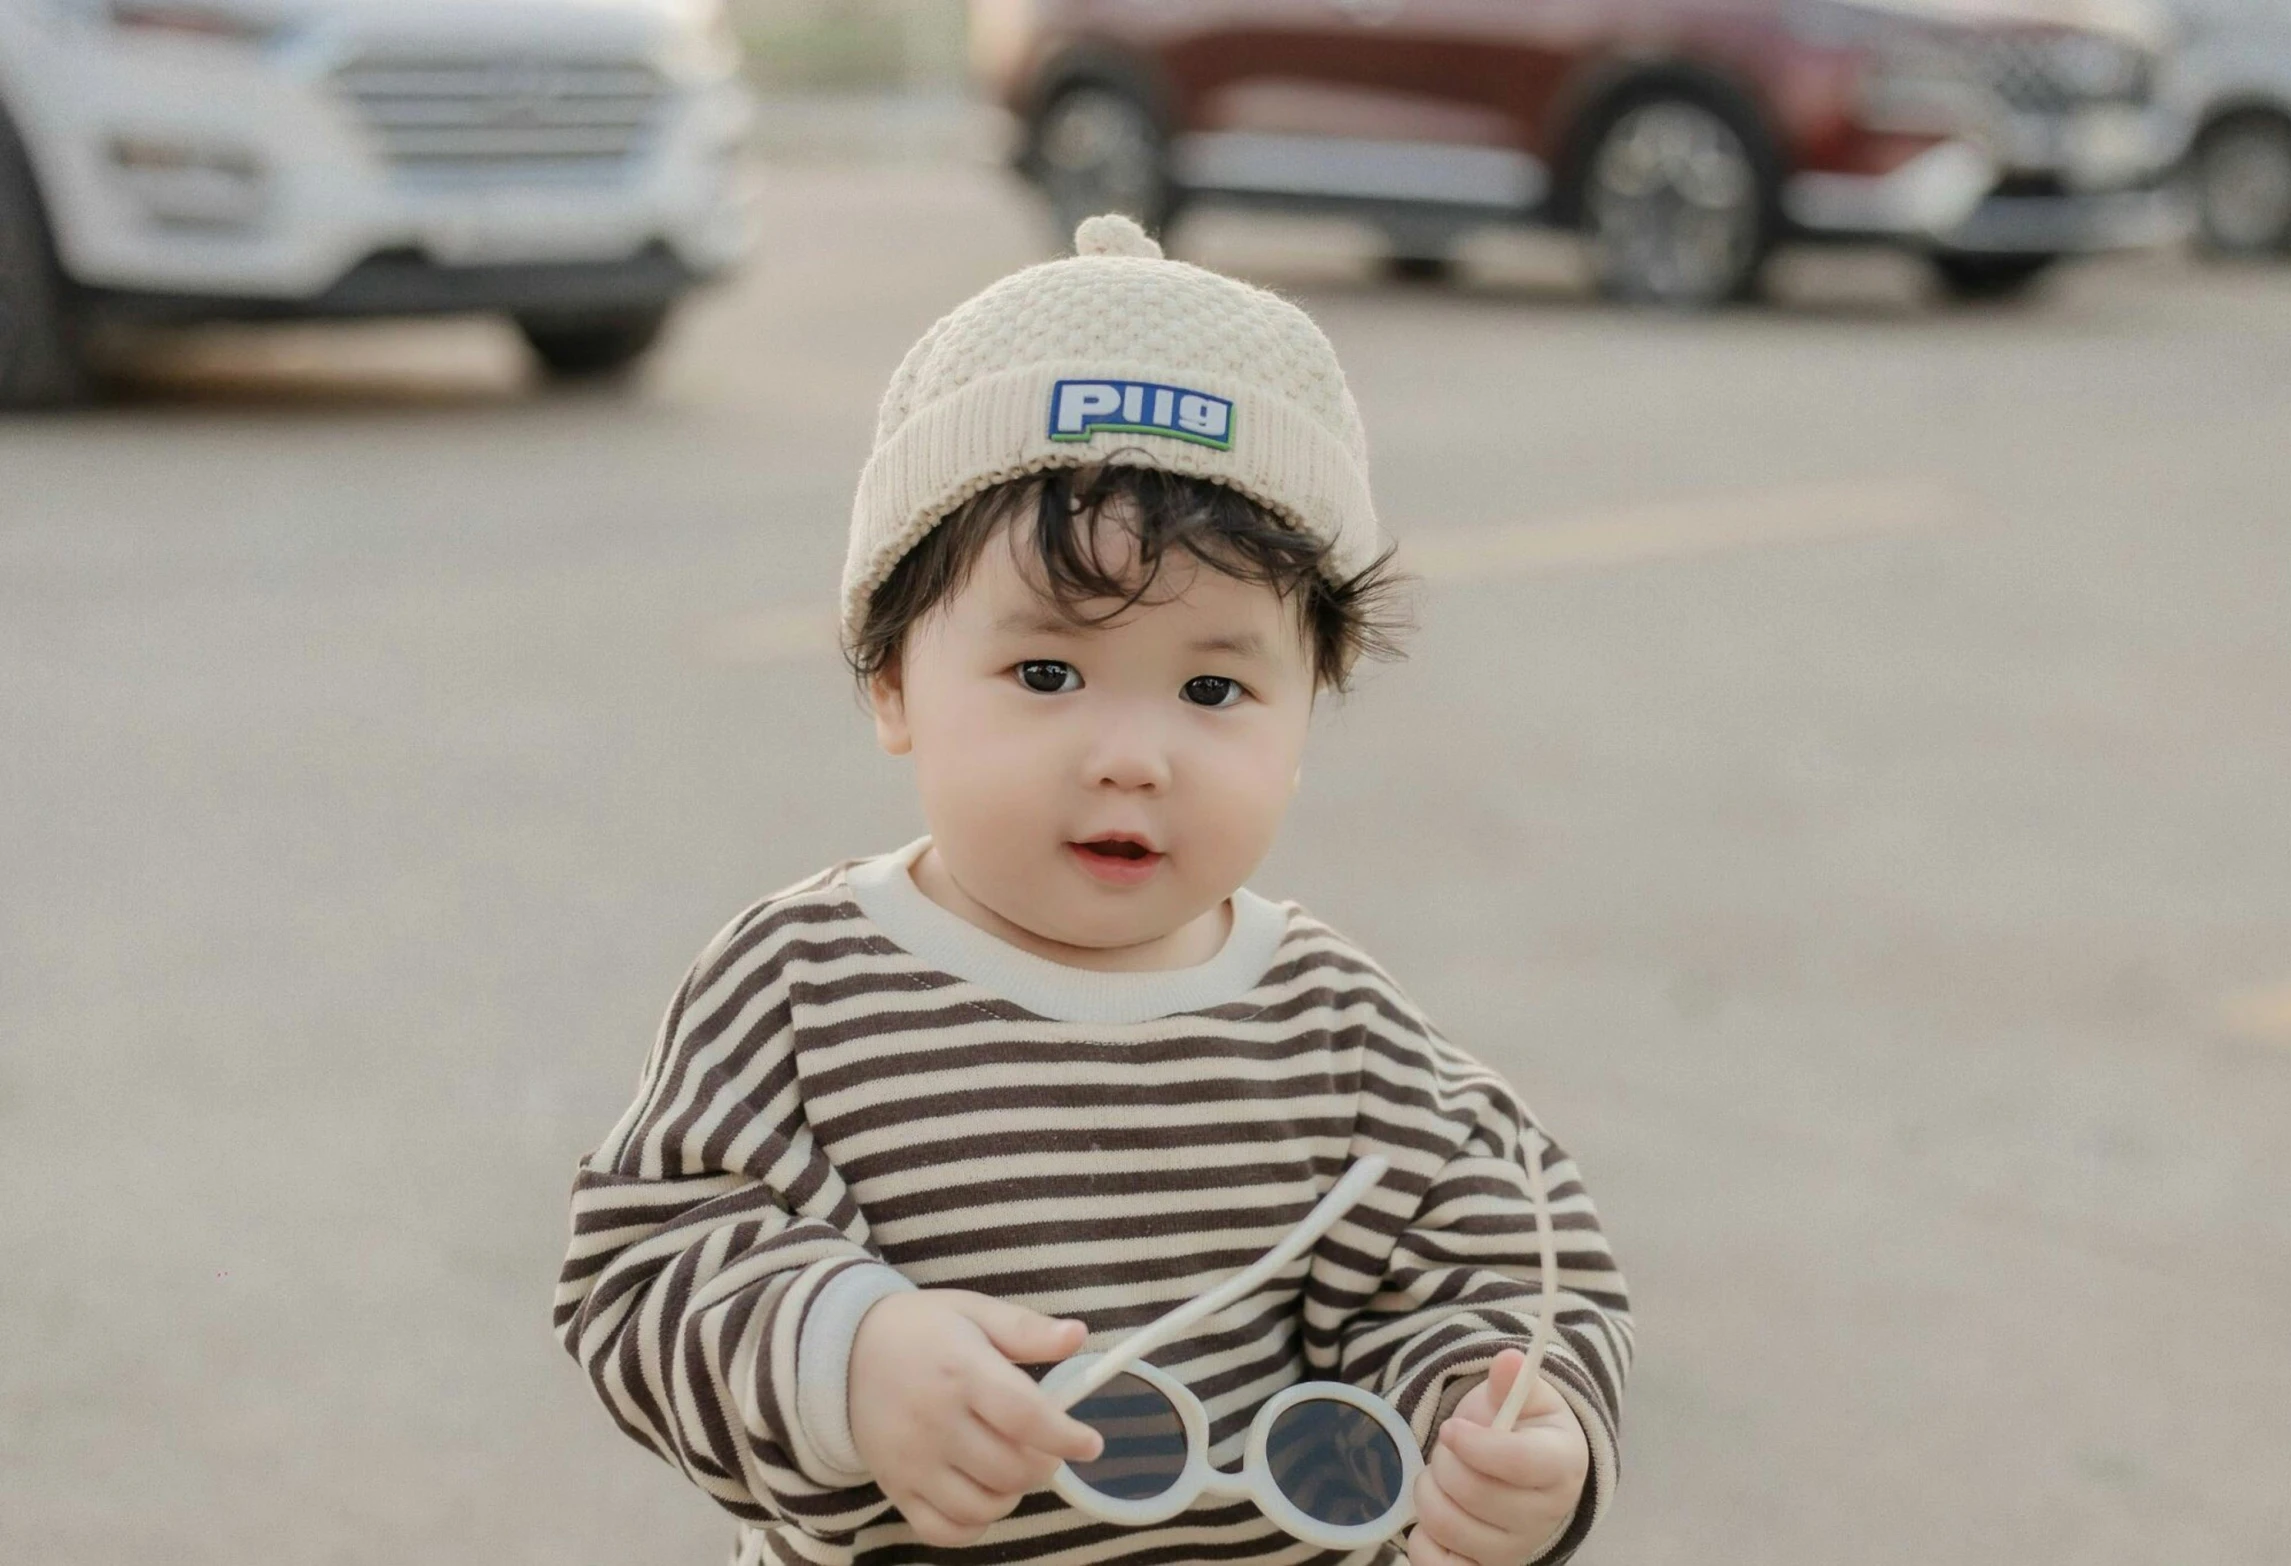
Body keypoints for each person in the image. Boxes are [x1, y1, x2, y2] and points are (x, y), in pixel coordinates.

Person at [551, 214, 1633, 1566]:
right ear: (890, 681)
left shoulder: (1336, 1026)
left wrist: (1514, 1439)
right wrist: (848, 1352)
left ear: (1306, 717)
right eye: (1048, 674)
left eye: (1213, 688)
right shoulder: (804, 984)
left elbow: (1497, 1265)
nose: (1132, 757)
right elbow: (645, 1263)